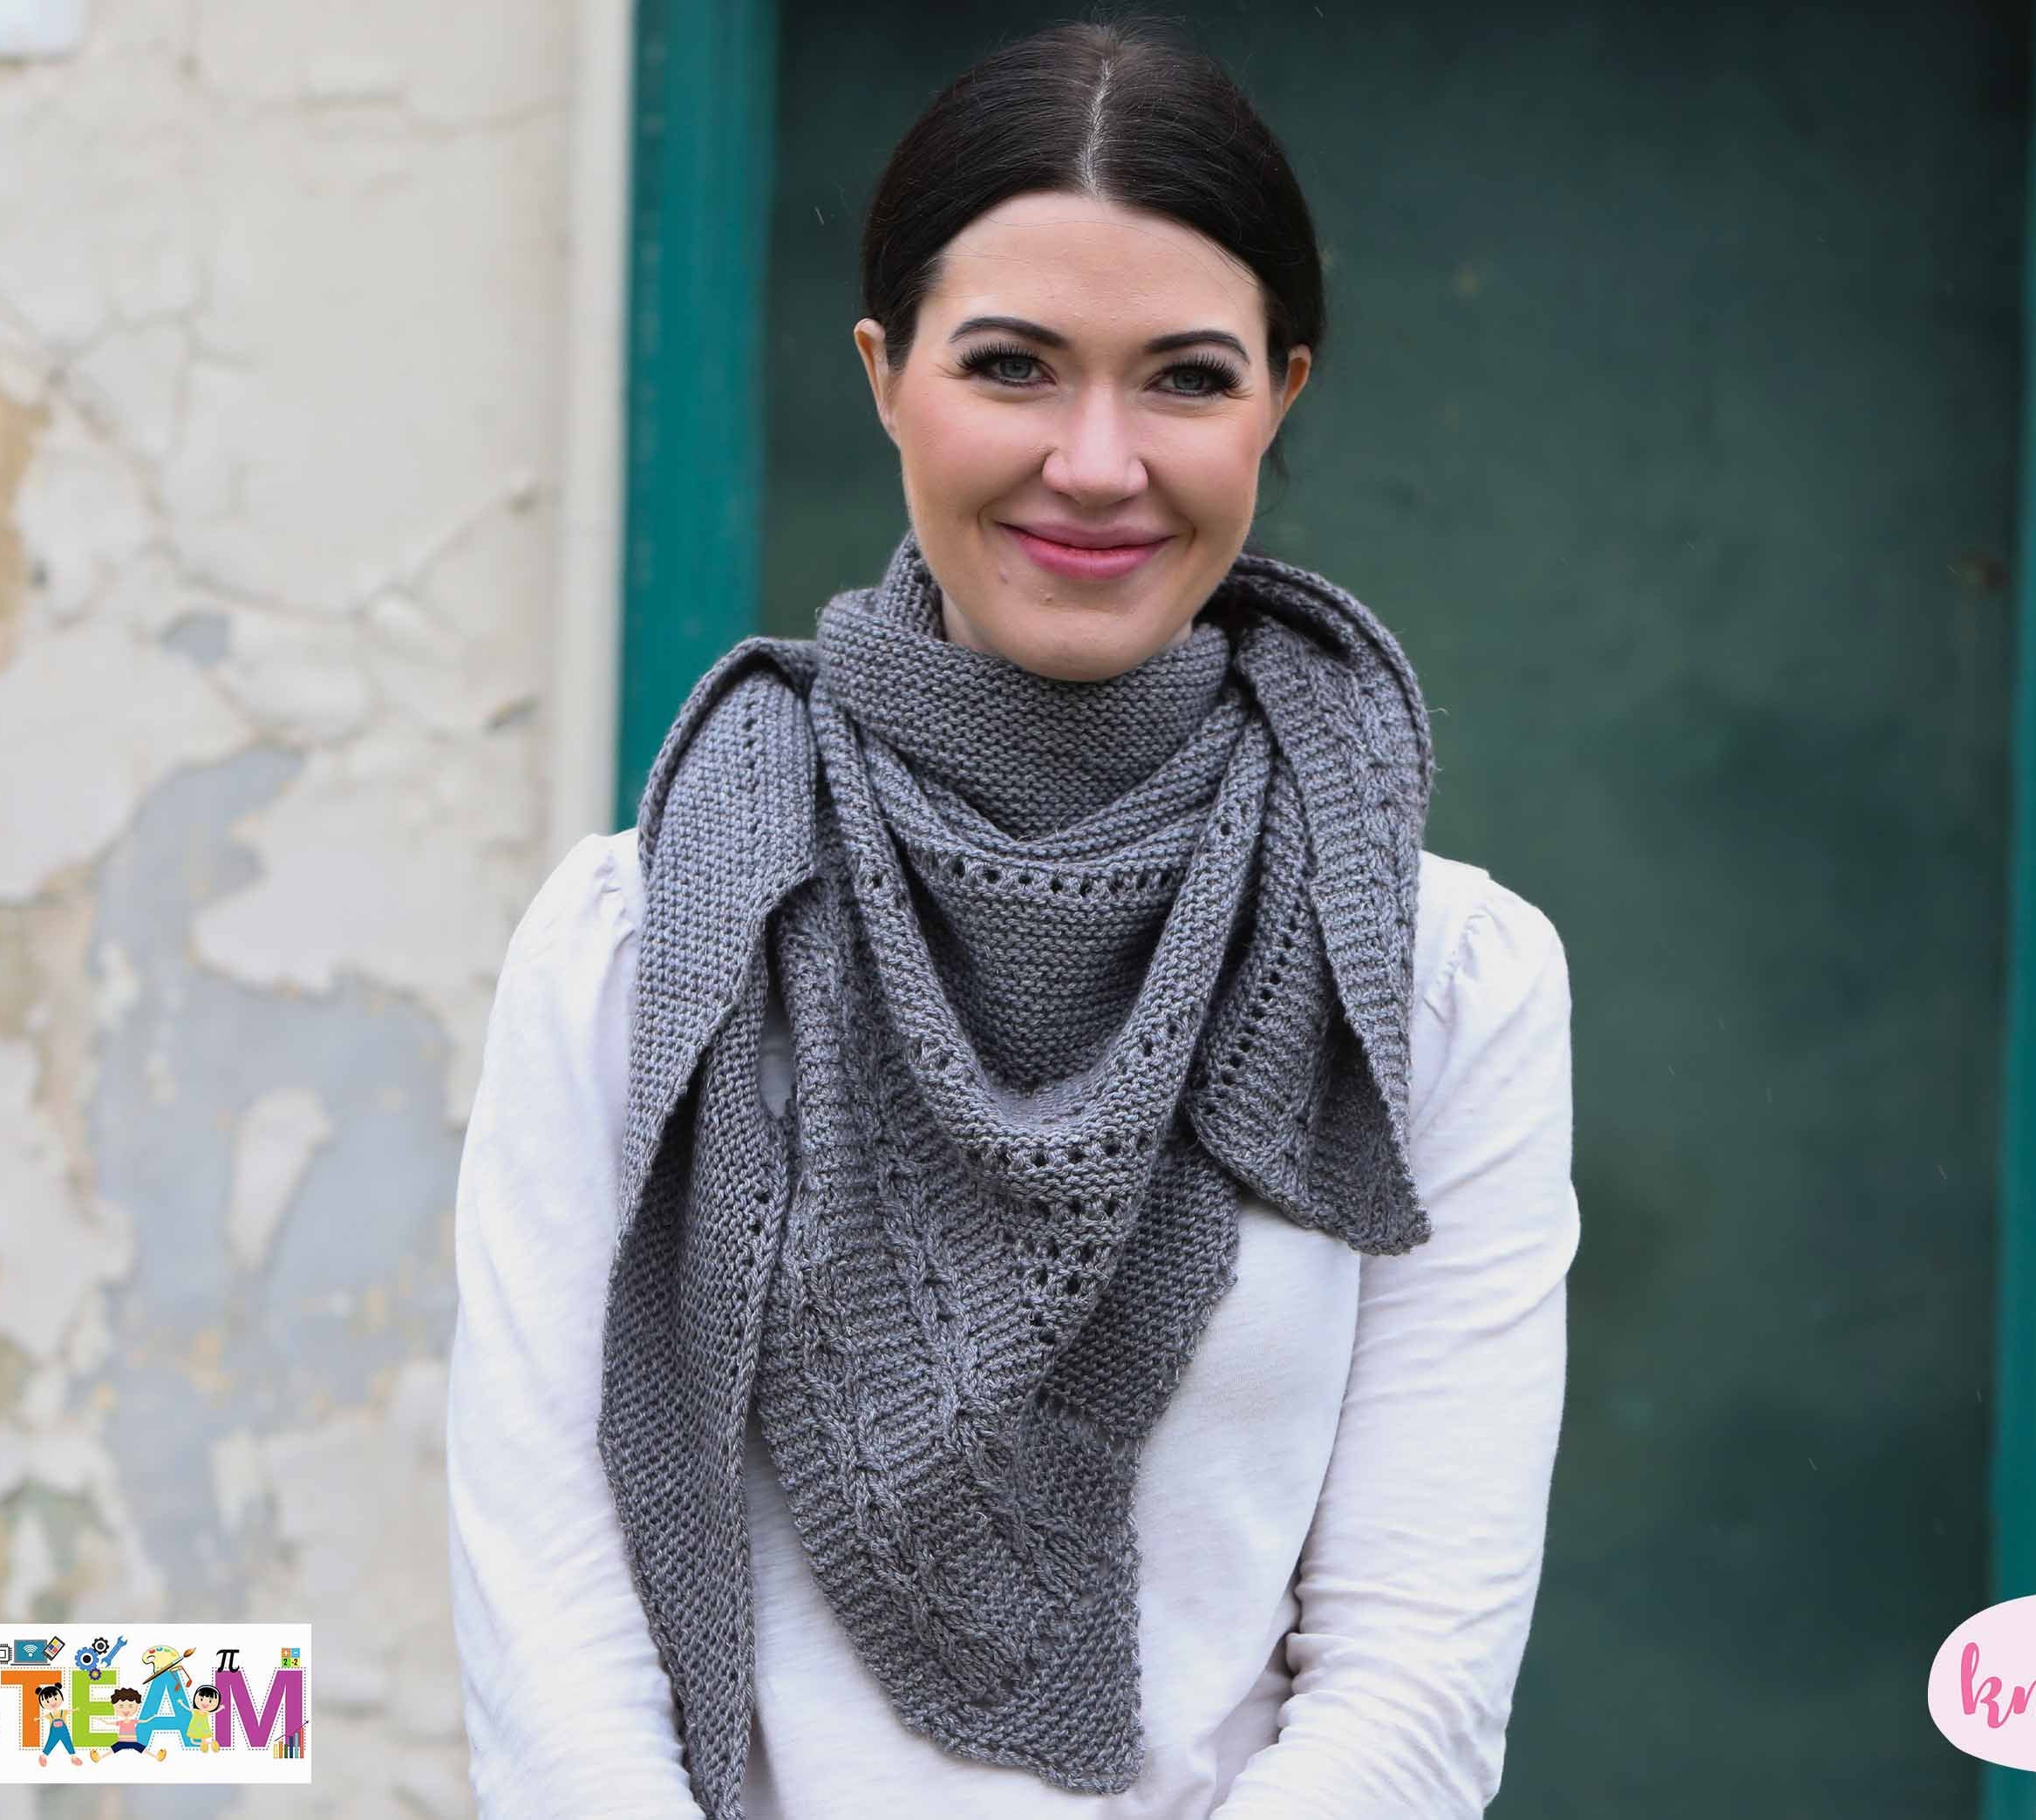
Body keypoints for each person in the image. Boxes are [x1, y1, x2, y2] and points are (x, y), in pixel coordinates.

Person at [446, 17, 1578, 1819]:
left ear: (1282, 392)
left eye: (1185, 380)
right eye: (1013, 367)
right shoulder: (637, 940)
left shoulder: (1435, 978)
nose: (1097, 461)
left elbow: (1415, 1670)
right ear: (886, 376)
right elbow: (545, 1621)